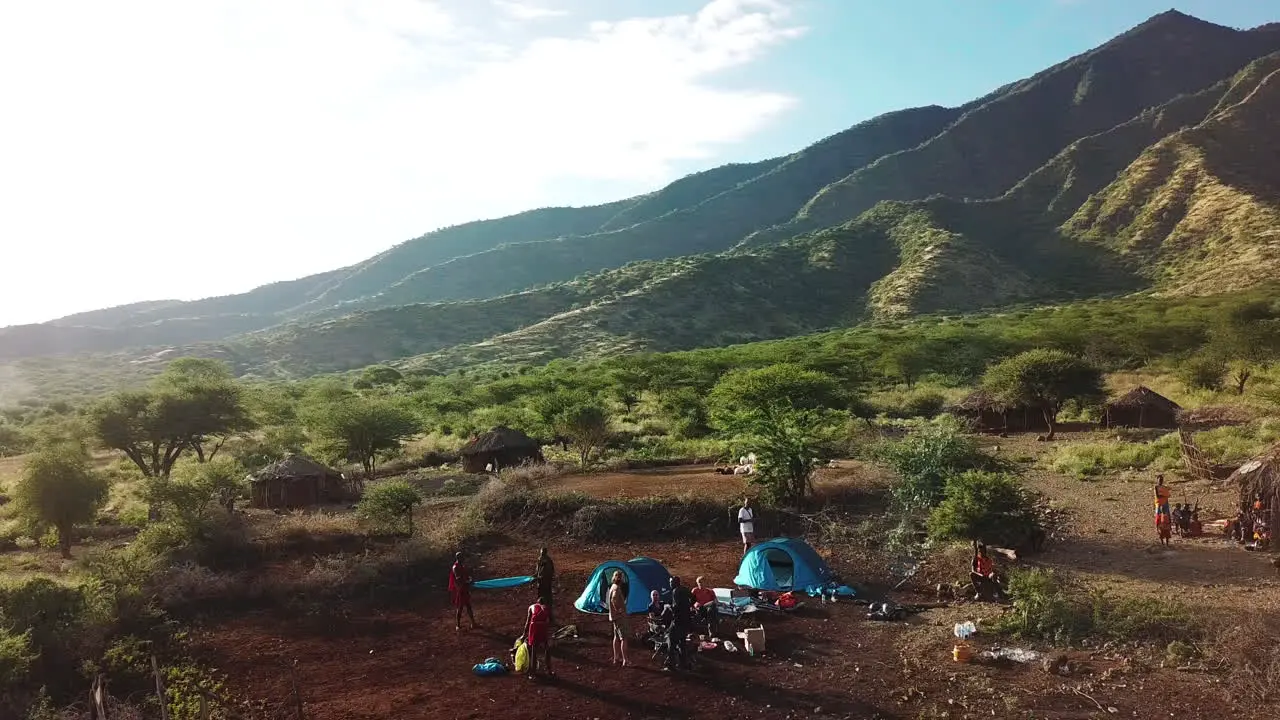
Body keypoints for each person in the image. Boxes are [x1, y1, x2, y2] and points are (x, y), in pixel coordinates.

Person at [665, 576, 695, 671]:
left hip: (678, 621)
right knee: (682, 642)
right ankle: (683, 664)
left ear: (674, 583)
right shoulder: (685, 589)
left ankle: (671, 664)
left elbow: (676, 607)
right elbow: (694, 598)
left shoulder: (675, 592)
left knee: (671, 641)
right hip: (686, 621)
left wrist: (669, 607)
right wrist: (688, 607)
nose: (669, 584)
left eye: (670, 582)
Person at [524, 595, 554, 678]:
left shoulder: (531, 607)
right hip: (543, 627)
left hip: (534, 627)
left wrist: (524, 634)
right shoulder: (547, 608)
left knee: (534, 649)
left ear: (537, 602)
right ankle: (549, 670)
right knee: (546, 649)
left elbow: (527, 621)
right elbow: (551, 621)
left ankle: (533, 672)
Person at [606, 570, 630, 667]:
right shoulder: (616, 588)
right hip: (619, 617)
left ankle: (616, 657)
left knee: (616, 637)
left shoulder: (612, 587)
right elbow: (614, 599)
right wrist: (619, 610)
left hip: (614, 617)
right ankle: (625, 660)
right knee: (624, 638)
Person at [449, 551, 476, 631]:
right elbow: (458, 578)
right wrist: (468, 582)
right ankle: (458, 625)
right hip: (460, 589)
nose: (463, 559)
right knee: (460, 607)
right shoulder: (455, 567)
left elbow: (466, 575)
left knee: (468, 606)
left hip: (464, 588)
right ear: (458, 558)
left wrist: (469, 579)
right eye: (462, 557)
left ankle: (473, 623)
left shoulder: (461, 565)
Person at [534, 547, 555, 624]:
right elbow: (538, 570)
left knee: (547, 601)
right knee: (540, 600)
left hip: (545, 584)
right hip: (540, 583)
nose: (542, 554)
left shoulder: (547, 561)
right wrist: (535, 576)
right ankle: (541, 616)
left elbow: (548, 574)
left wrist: (539, 578)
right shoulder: (540, 559)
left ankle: (549, 618)